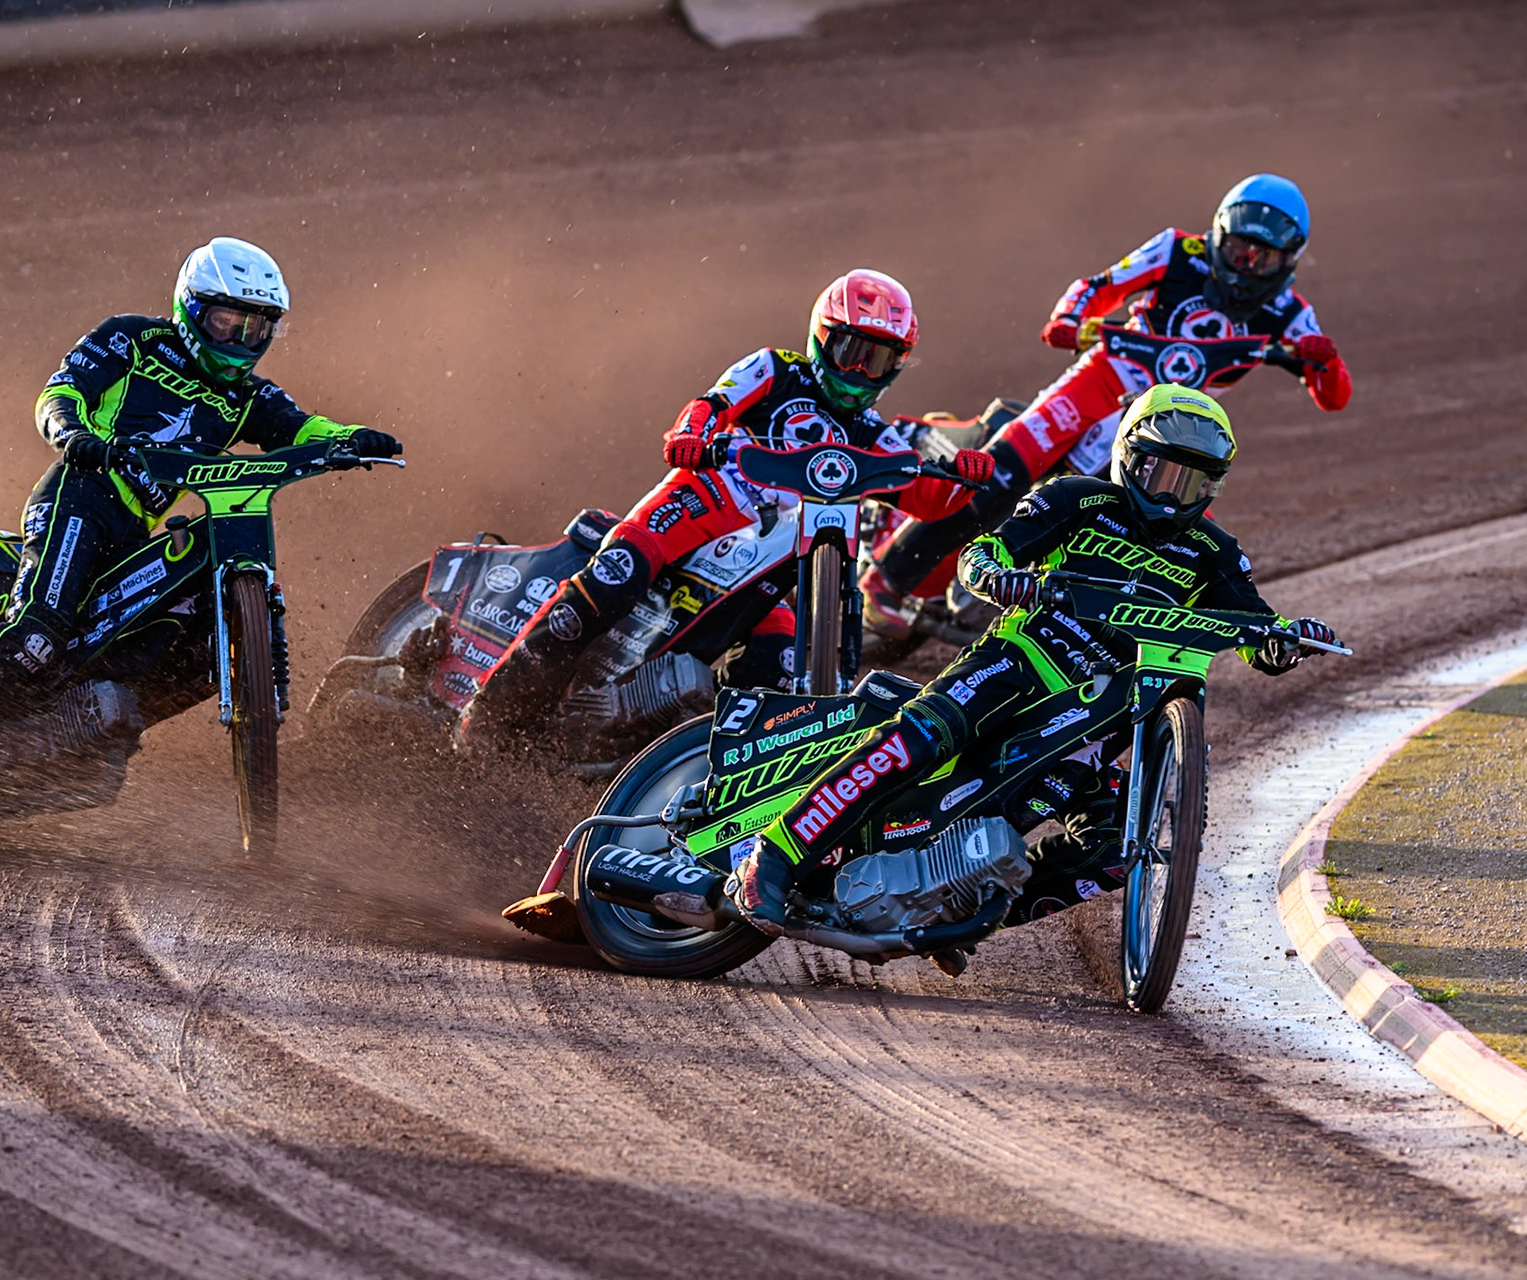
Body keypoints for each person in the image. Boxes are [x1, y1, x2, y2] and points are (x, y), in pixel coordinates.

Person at [732, 383, 1338, 938]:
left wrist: (1288, 640)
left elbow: (1257, 630)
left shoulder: (1214, 552)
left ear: (1213, 487)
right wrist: (999, 576)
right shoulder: (1076, 498)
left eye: (1191, 483)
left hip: (1097, 720)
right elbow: (984, 553)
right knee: (916, 739)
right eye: (1160, 474)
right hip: (1017, 663)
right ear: (1129, 457)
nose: (1170, 495)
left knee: (1114, 848)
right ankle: (773, 858)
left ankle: (963, 908)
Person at [0, 237, 399, 787]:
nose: (239, 341)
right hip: (80, 498)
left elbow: (303, 427)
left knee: (206, 650)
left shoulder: (248, 398)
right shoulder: (132, 338)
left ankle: (70, 733)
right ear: (191, 308)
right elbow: (61, 393)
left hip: (132, 539)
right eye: (226, 322)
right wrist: (72, 434)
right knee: (35, 640)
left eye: (255, 328)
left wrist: (353, 439)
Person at [456, 269, 997, 749]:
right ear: (822, 336)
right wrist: (691, 437)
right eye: (851, 349)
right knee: (613, 578)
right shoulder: (775, 369)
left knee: (780, 664)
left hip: (773, 555)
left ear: (895, 366)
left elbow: (923, 498)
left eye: (875, 359)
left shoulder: (872, 433)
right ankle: (488, 714)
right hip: (702, 501)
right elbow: (713, 404)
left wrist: (967, 478)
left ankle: (663, 748)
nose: (859, 369)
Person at [861, 173, 1351, 637]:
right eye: (1239, 249)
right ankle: (887, 579)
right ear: (1218, 236)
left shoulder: (1290, 312)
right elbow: (1097, 287)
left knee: (1145, 521)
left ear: (1288, 261)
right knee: (1003, 471)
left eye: (1262, 258)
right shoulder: (1177, 250)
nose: (1246, 265)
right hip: (1099, 380)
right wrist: (1068, 319)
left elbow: (1335, 396)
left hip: (1165, 423)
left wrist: (1323, 360)